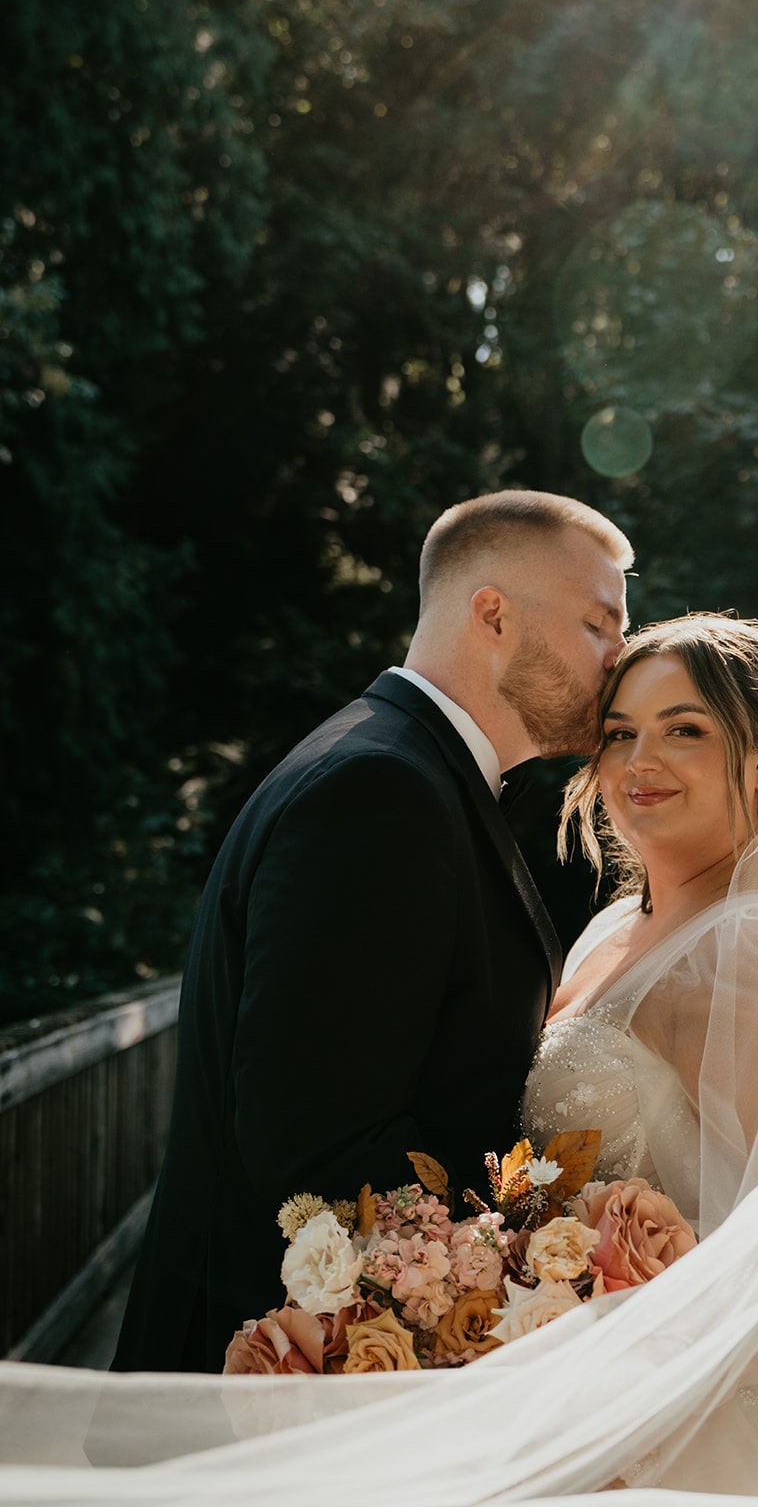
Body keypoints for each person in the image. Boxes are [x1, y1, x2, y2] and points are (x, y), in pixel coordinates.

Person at [4, 613, 758, 1507]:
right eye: (619, 732)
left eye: (682, 730)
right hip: (568, 1380)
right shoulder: (611, 930)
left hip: (694, 1421)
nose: (638, 763)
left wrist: (608, 1375)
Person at [111, 490, 633, 1376]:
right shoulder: (378, 794)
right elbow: (313, 1145)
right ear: (493, 615)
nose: (620, 660)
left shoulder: (406, 773)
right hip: (279, 1386)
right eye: (598, 625)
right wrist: (541, 1263)